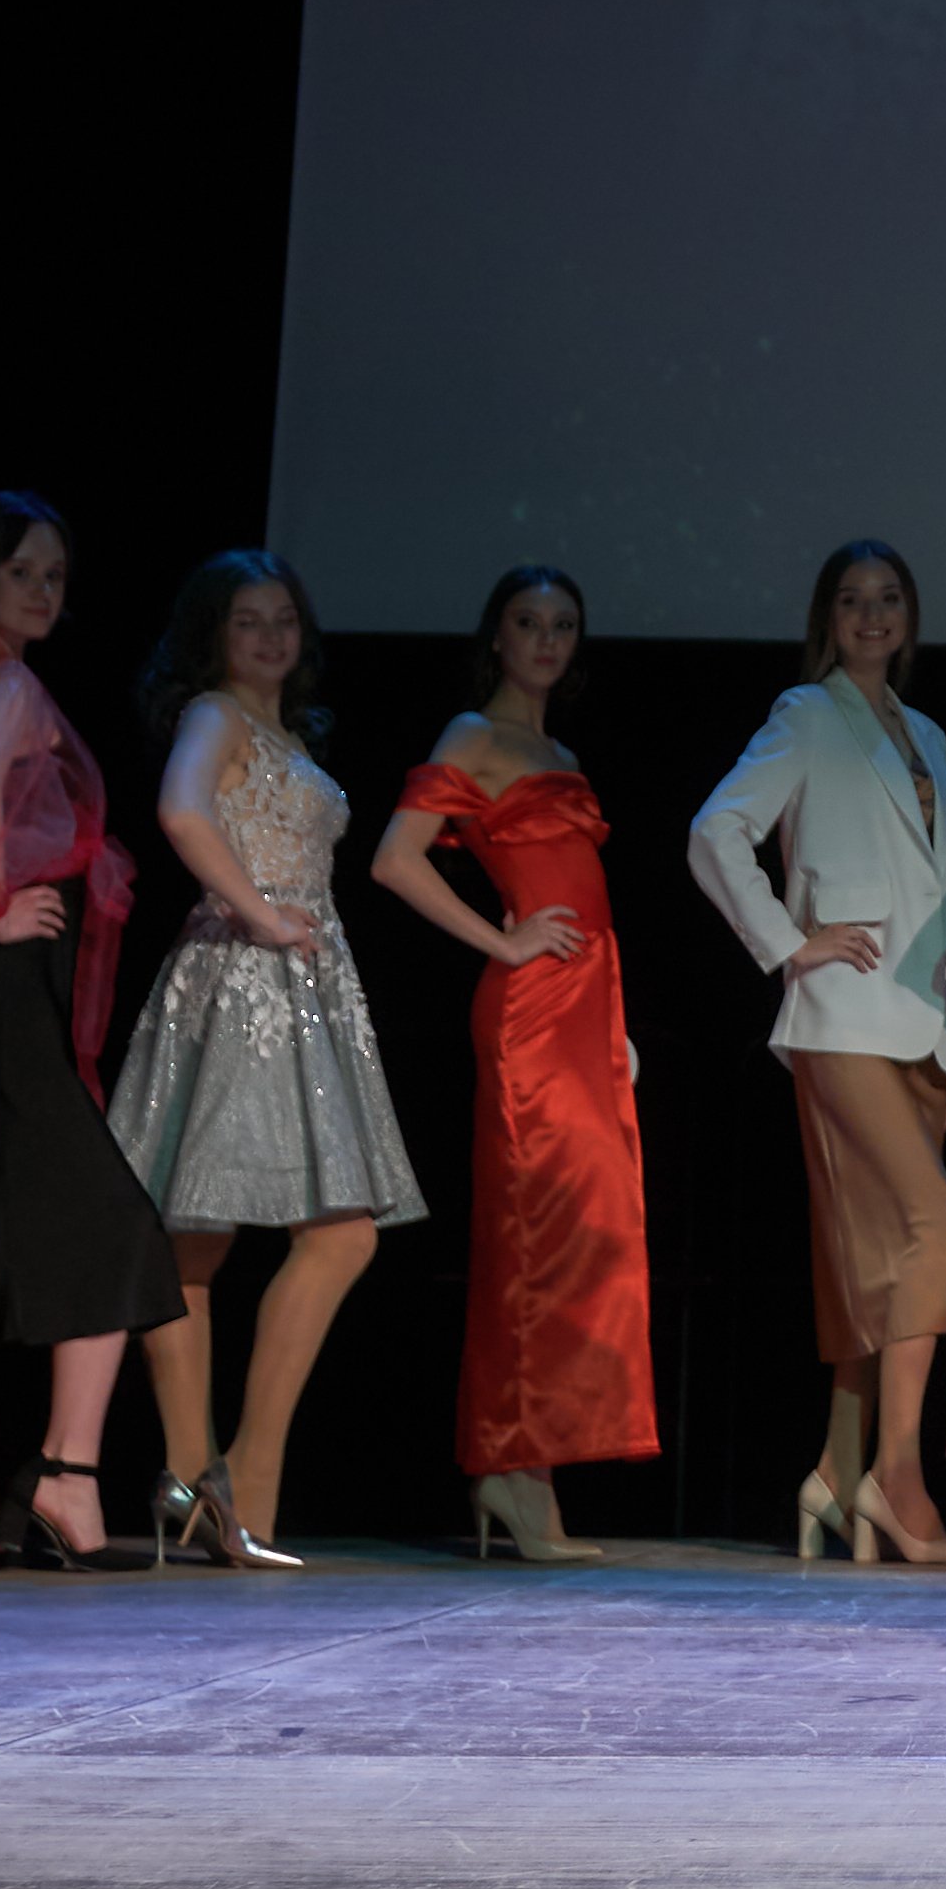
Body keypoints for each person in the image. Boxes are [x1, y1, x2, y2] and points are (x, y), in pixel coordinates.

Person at [107, 553, 427, 1568]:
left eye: (284, 618)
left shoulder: (282, 730)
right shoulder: (214, 715)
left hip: (299, 984)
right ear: (213, 634)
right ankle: (221, 1477)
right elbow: (180, 811)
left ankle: (214, 1479)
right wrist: (255, 912)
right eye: (248, 620)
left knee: (283, 1236)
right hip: (246, 976)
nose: (271, 636)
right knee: (214, 1235)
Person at [691, 541, 946, 1566]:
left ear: (909, 615)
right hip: (840, 1013)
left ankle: (836, 1469)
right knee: (936, 1239)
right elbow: (715, 831)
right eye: (853, 599)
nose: (873, 614)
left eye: (889, 597)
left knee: (878, 1263)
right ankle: (897, 1485)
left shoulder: (927, 734)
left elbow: (943, 895)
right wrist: (788, 942)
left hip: (921, 1020)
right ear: (827, 617)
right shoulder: (805, 715)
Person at [0, 492, 180, 1570]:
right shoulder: (5, 682)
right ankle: (65, 1475)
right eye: (24, 573)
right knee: (112, 1220)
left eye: (57, 575)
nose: (45, 592)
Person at [371, 563, 654, 1565]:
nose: (545, 639)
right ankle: (511, 1467)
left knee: (586, 1236)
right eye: (528, 622)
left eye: (562, 624)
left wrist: (614, 1027)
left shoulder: (559, 751)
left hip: (586, 1013)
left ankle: (529, 1473)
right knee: (534, 1235)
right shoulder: (472, 735)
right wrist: (502, 941)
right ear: (496, 634)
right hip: (531, 1014)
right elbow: (394, 859)